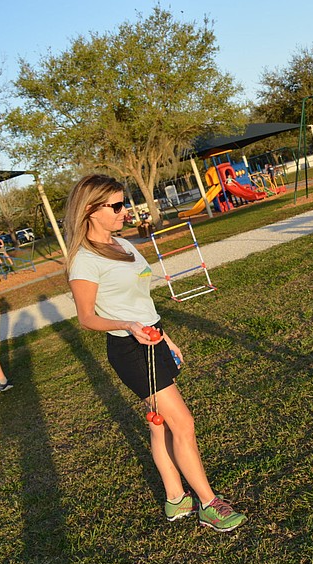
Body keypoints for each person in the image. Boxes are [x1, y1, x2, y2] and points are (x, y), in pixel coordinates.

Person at [65, 174, 247, 532]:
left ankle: (176, 499)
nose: (124, 211)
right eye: (115, 206)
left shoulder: (124, 245)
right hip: (129, 348)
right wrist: (131, 327)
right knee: (183, 423)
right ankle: (209, 504)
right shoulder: (84, 260)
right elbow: (87, 317)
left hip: (153, 338)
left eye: (123, 202)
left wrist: (165, 335)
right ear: (90, 210)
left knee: (160, 424)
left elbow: (142, 300)